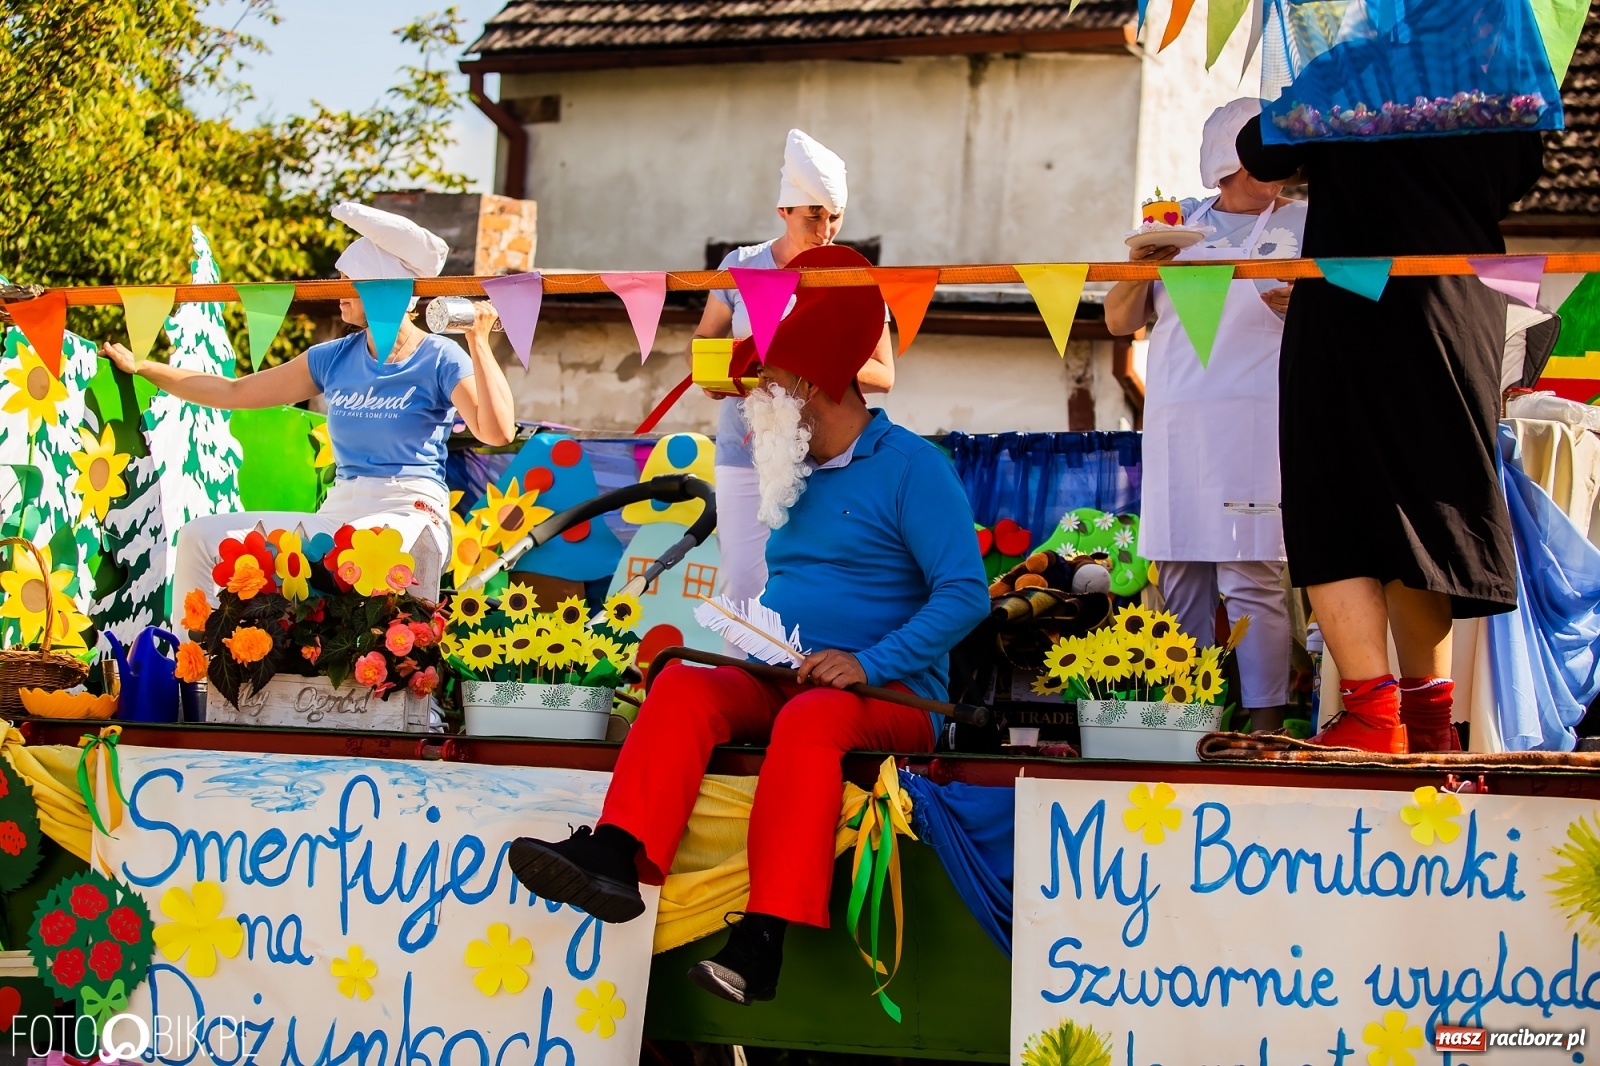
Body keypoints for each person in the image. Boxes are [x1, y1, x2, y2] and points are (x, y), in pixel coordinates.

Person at [510, 245, 989, 1006]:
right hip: (790, 672)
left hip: (892, 696)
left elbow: (966, 596)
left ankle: (763, 940)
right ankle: (615, 856)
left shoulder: (914, 468)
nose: (752, 399)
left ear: (810, 386)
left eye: (766, 385)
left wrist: (867, 663)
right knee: (685, 687)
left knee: (810, 722)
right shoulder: (790, 470)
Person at [1235, 113, 1545, 753]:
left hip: (1351, 302)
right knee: (1424, 506)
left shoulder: (1354, 64)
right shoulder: (1494, 75)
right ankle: (1431, 723)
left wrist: (1332, 92)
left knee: (1333, 503)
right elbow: (1520, 174)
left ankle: (1373, 714)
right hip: (1457, 303)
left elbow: (1259, 153)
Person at [99, 202, 517, 623]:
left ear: (379, 289)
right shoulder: (332, 358)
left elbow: (496, 432)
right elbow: (233, 390)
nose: (334, 292)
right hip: (339, 514)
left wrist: (478, 341)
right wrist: (144, 367)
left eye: (345, 280)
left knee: (370, 549)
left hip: (410, 513)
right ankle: (194, 681)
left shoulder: (438, 356)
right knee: (200, 537)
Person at [1104, 99, 1306, 732]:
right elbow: (1118, 320)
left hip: (1259, 424)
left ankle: (1267, 722)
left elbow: (1354, 317)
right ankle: (1185, 721)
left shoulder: (1308, 225)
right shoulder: (1172, 226)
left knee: (1253, 574)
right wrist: (1141, 266)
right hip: (1176, 427)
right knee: (1180, 574)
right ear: (1230, 155)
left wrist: (1308, 309)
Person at [689, 129, 895, 645]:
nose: (825, 230)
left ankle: (808, 693)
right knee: (743, 582)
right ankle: (743, 699)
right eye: (813, 215)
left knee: (816, 580)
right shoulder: (740, 267)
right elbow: (704, 349)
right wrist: (719, 377)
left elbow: (884, 374)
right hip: (745, 451)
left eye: (835, 217)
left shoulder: (853, 276)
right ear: (784, 210)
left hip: (827, 455)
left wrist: (806, 363)